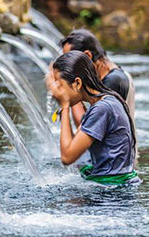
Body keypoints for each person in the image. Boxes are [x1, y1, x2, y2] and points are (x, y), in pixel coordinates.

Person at [46, 51, 140, 185]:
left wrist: (65, 105)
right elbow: (74, 143)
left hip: (112, 194)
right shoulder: (105, 100)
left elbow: (67, 156)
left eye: (59, 85)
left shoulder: (102, 109)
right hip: (114, 185)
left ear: (77, 83)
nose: (55, 90)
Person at [60, 29, 138, 166]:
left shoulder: (112, 83)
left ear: (87, 56)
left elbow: (84, 128)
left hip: (116, 167)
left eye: (70, 62)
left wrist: (71, 96)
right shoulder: (114, 75)